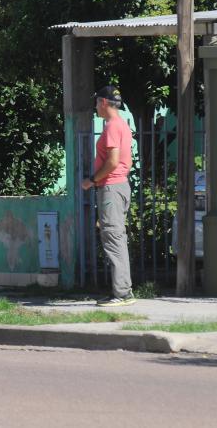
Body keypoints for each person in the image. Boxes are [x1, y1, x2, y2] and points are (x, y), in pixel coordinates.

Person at [80, 86, 135, 307]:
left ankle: (122, 293)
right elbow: (126, 163)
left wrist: (92, 180)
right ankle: (123, 290)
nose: (95, 107)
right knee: (116, 237)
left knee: (112, 238)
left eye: (96, 103)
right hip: (120, 186)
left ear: (104, 102)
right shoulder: (123, 125)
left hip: (111, 187)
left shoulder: (112, 126)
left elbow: (112, 162)